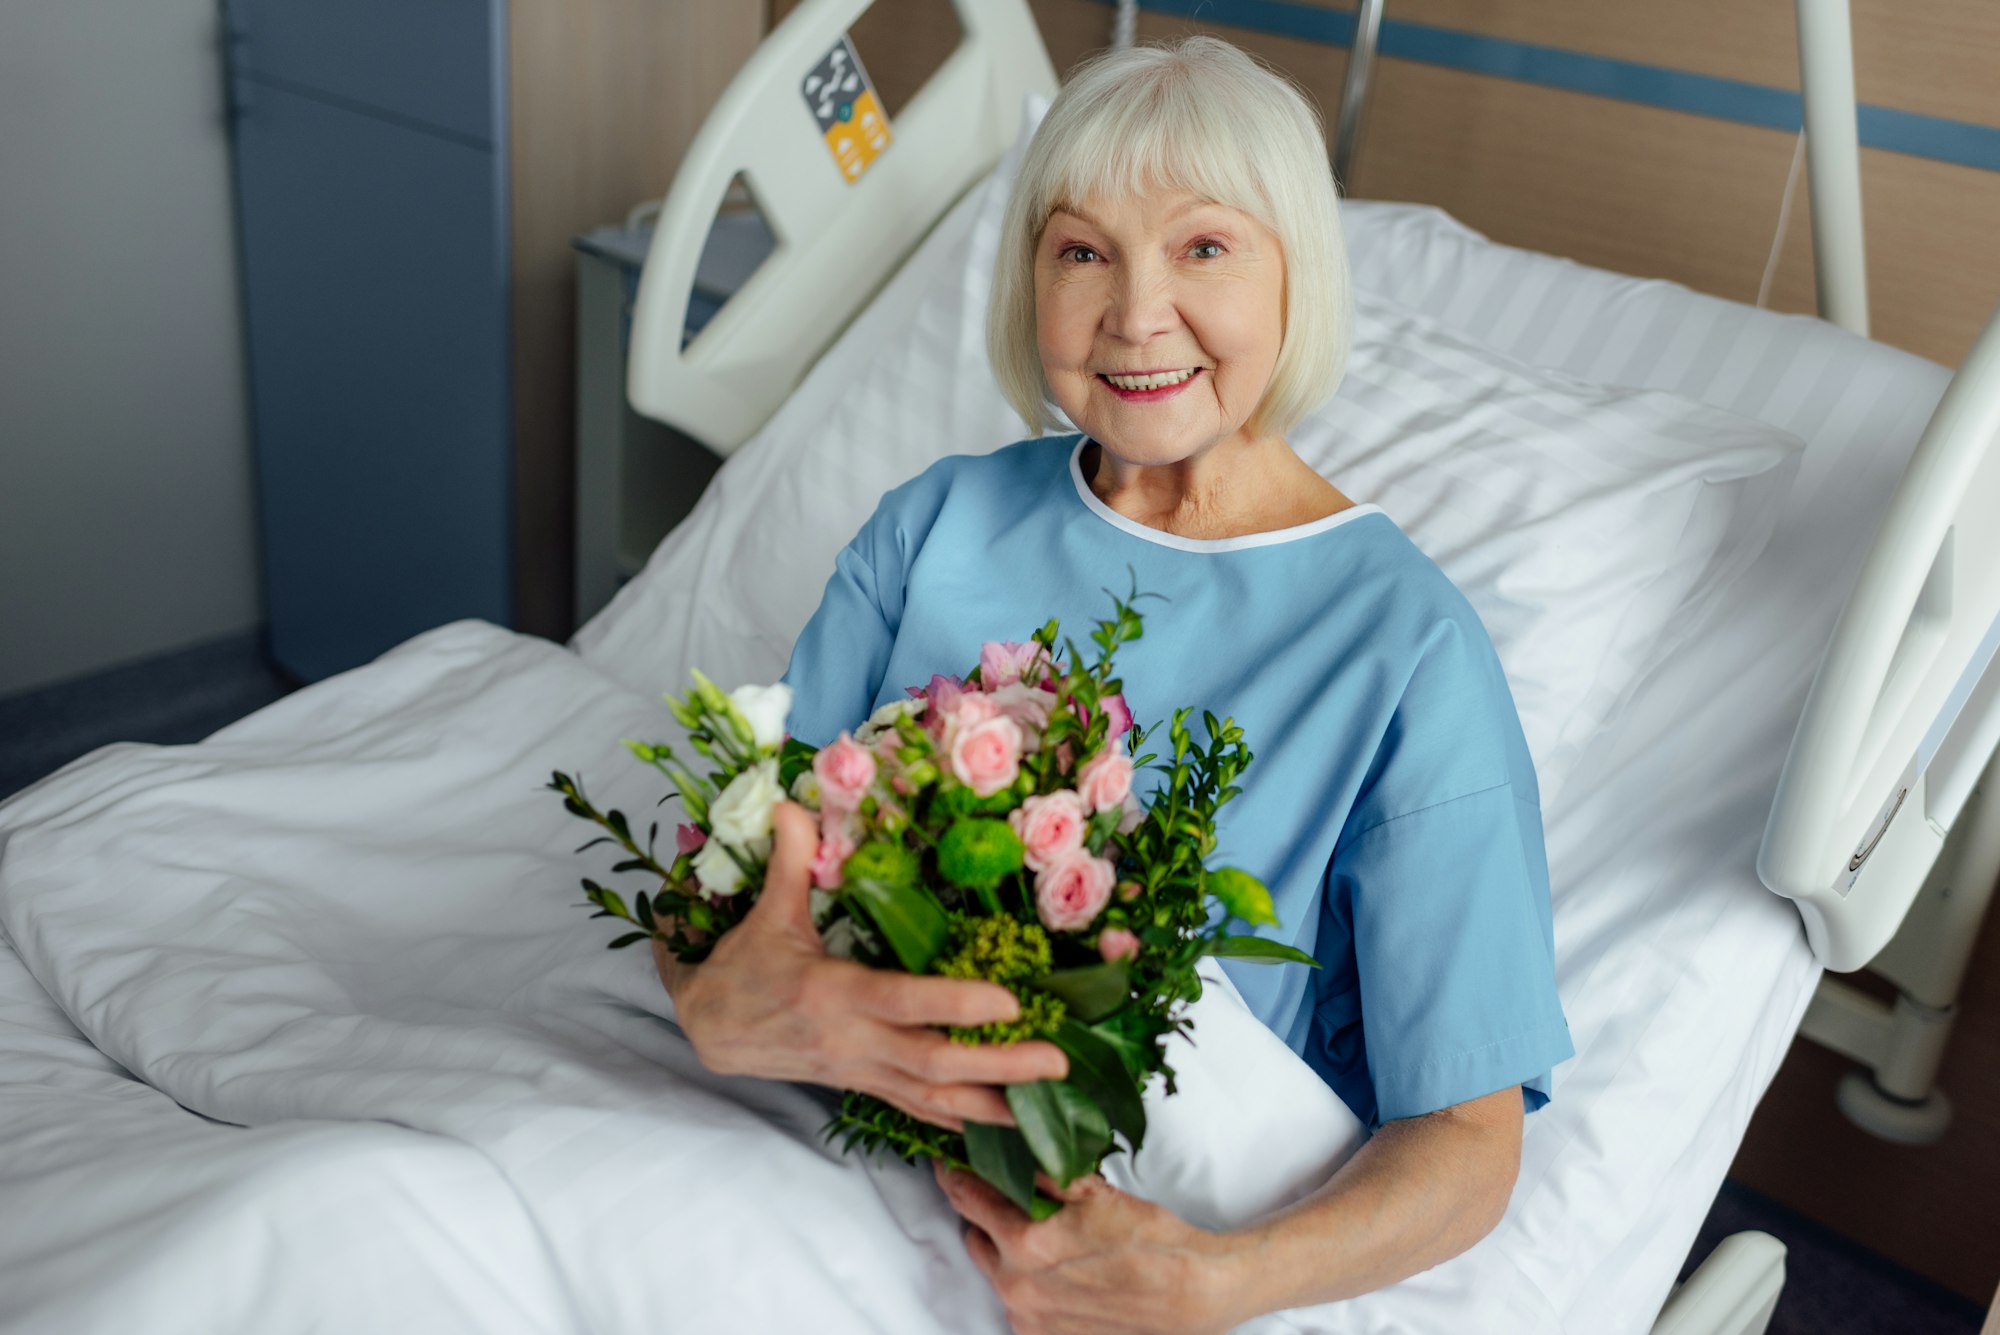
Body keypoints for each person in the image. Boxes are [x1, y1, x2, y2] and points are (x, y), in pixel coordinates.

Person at [655, 35, 1572, 1334]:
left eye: (1203, 247)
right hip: (791, 1156)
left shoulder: (1406, 648)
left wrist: (1214, 1281)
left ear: (1297, 275)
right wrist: (707, 998)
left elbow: (1470, 1143)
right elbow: (735, 870)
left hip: (1105, 1247)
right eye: (1083, 251)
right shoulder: (935, 527)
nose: (1137, 314)